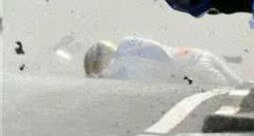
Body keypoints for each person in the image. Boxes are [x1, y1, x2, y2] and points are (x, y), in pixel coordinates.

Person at [83, 37, 242, 87]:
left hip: (197, 64)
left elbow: (127, 74)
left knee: (229, 91)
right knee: (238, 85)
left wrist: (104, 76)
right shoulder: (129, 51)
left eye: (100, 64)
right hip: (199, 56)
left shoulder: (126, 54)